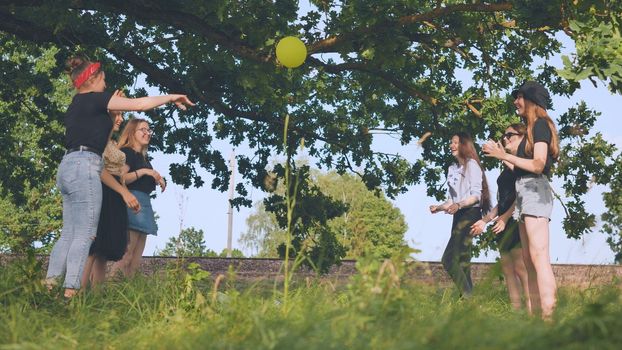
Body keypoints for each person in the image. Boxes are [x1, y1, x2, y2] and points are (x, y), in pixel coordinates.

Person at [44, 56, 194, 298]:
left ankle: (49, 289)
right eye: (103, 78)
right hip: (86, 166)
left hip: (68, 165)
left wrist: (111, 113)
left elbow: (98, 138)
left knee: (68, 235)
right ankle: (70, 294)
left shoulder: (77, 105)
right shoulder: (95, 97)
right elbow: (141, 104)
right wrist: (171, 97)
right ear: (92, 79)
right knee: (85, 235)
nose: (105, 83)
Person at [483, 81, 559, 319]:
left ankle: (549, 319)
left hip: (536, 191)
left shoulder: (541, 126)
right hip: (525, 192)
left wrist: (504, 154)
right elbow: (522, 169)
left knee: (539, 258)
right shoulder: (530, 129)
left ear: (531, 100)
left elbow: (537, 165)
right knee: (528, 260)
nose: (515, 102)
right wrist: (502, 156)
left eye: (519, 97)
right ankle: (535, 319)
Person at [470, 123, 531, 311]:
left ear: (521, 137)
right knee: (508, 270)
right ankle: (516, 312)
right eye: (503, 136)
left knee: (520, 268)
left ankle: (531, 312)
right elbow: (502, 200)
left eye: (509, 135)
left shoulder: (522, 164)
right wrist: (485, 220)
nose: (505, 139)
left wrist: (505, 218)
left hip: (514, 220)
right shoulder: (507, 167)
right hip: (501, 222)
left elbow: (521, 196)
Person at [429, 132, 491, 296]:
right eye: (451, 143)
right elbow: (451, 200)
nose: (452, 145)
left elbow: (476, 196)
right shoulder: (452, 169)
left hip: (470, 213)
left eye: (455, 142)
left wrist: (459, 204)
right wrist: (440, 207)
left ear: (465, 145)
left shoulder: (472, 165)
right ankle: (470, 304)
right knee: (463, 261)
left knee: (448, 259)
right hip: (458, 215)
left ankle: (467, 297)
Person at [81, 107, 131, 288]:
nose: (120, 119)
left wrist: (125, 193)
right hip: (102, 190)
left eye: (122, 116)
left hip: (116, 195)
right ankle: (75, 294)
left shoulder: (111, 142)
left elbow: (120, 173)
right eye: (117, 115)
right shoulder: (97, 141)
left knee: (104, 251)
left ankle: (96, 298)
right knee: (93, 247)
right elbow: (98, 169)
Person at [109, 118, 166, 277]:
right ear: (132, 133)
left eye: (149, 130)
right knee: (126, 255)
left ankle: (127, 295)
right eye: (143, 130)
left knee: (135, 261)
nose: (147, 133)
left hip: (144, 205)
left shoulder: (144, 159)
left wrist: (157, 177)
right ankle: (108, 288)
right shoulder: (128, 152)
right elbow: (121, 178)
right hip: (132, 203)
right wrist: (144, 172)